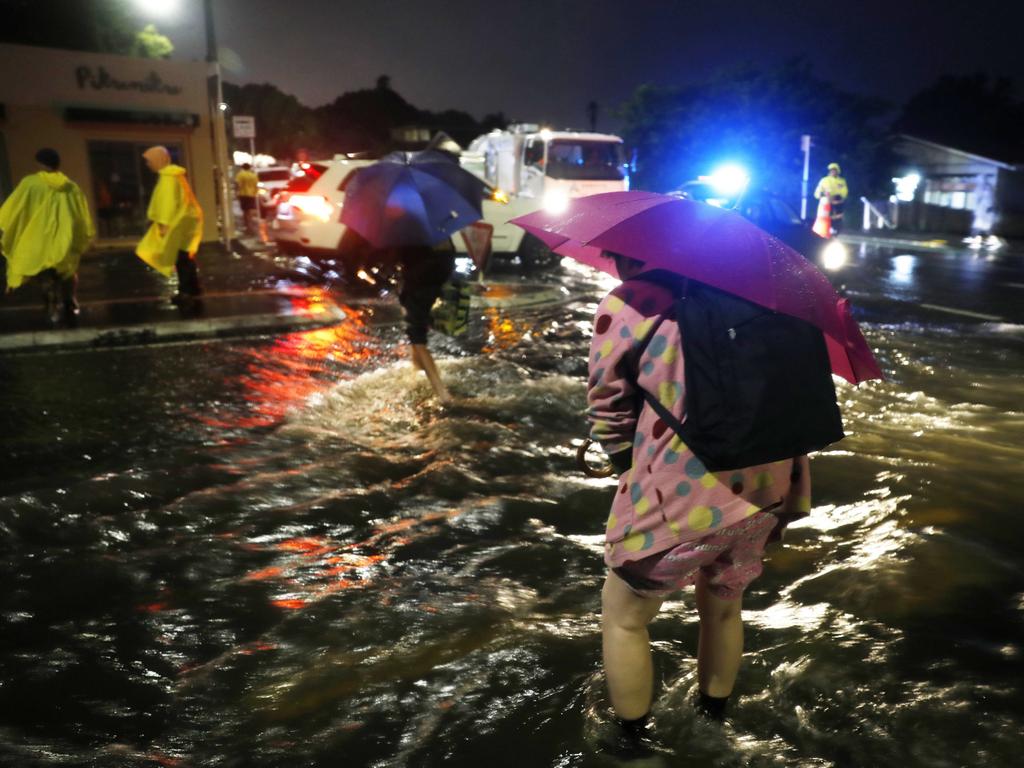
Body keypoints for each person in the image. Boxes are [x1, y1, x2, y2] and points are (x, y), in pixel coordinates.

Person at [588, 252, 812, 753]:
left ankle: (634, 747)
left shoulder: (632, 300)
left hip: (682, 492)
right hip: (763, 486)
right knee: (725, 606)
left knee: (623, 615)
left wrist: (625, 462)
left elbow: (607, 403)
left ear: (631, 248)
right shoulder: (756, 297)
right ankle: (712, 724)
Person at [0, 148, 94, 324]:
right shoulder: (71, 186)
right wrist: (82, 235)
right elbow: (80, 213)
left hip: (39, 239)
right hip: (64, 239)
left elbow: (16, 207)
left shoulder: (30, 183)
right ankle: (70, 301)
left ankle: (51, 306)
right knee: (68, 270)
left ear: (40, 163)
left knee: (44, 273)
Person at [135, 146, 203, 304]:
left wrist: (164, 225)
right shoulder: (174, 175)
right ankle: (193, 288)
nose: (148, 164)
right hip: (185, 221)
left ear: (158, 160)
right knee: (185, 256)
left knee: (181, 258)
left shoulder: (168, 178)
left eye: (149, 161)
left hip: (178, 223)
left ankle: (186, 291)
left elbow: (168, 203)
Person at [395, 239, 456, 403]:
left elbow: (406, 261)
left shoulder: (410, 233)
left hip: (417, 288)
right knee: (414, 332)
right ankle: (417, 373)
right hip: (431, 286)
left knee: (417, 337)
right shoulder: (440, 233)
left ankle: (442, 394)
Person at [813, 162, 848, 235]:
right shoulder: (824, 180)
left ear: (838, 171)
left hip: (838, 203)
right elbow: (817, 193)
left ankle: (835, 232)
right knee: (825, 219)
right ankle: (823, 233)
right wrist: (824, 196)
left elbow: (844, 192)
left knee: (838, 219)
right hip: (826, 203)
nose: (833, 171)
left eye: (835, 170)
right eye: (831, 170)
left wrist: (838, 199)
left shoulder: (841, 181)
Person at [234, 163, 259, 235]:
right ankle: (250, 226)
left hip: (243, 194)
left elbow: (237, 184)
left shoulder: (241, 174)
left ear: (242, 167)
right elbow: (256, 185)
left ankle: (248, 227)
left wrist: (236, 193)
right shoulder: (253, 175)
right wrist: (255, 193)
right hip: (251, 195)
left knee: (245, 212)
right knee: (250, 211)